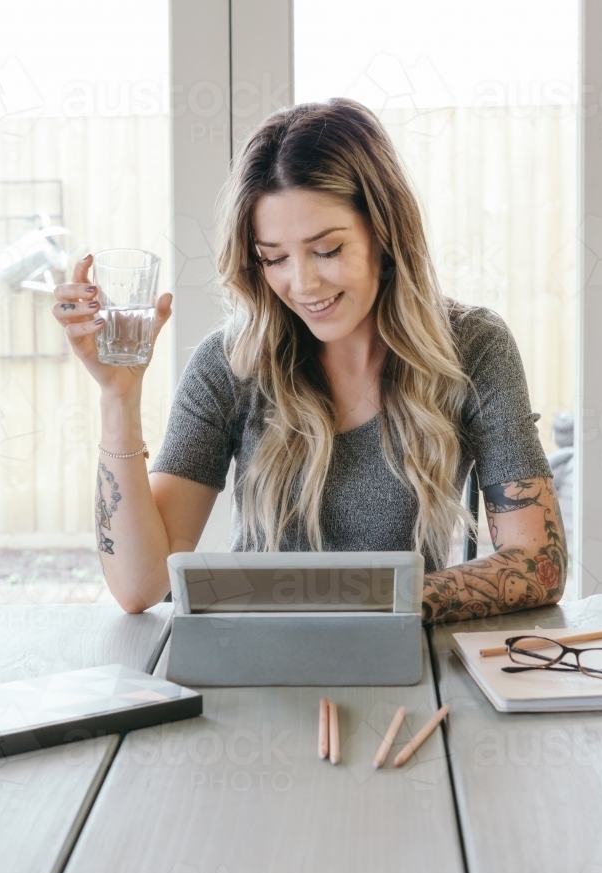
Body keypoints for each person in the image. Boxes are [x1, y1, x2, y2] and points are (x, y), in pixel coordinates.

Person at [53, 98, 567, 621]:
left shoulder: (474, 346)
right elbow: (140, 587)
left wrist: (360, 604)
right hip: (256, 664)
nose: (302, 285)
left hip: (401, 657)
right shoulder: (230, 363)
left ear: (383, 232)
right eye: (274, 257)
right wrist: (118, 398)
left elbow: (538, 563)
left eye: (327, 250)